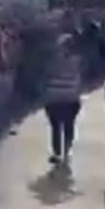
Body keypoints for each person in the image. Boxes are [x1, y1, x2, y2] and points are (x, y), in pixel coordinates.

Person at [44, 34, 84, 165]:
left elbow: (44, 77)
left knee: (55, 127)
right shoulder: (78, 61)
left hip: (54, 97)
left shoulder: (51, 61)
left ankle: (57, 153)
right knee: (69, 125)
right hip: (71, 98)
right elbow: (83, 78)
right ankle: (67, 150)